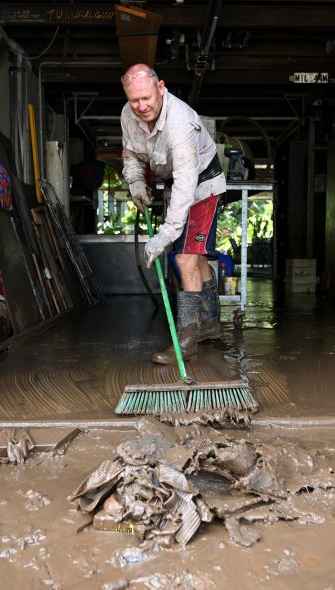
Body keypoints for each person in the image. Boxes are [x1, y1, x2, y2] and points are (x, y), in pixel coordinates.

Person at [120, 63, 226, 365]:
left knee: (184, 258)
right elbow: (130, 153)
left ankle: (186, 343)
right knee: (196, 256)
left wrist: (166, 235)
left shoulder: (179, 123)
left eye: (146, 98)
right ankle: (210, 325)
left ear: (161, 88)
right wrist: (136, 181)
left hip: (201, 186)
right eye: (134, 100)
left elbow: (185, 185)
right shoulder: (129, 115)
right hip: (177, 185)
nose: (141, 106)